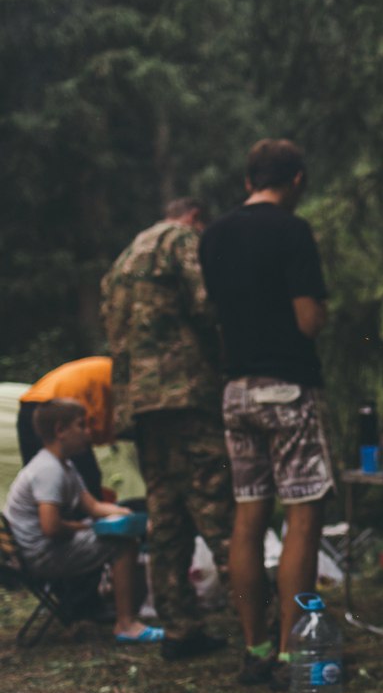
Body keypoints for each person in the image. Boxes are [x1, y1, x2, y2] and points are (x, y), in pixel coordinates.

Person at [199, 138, 333, 690]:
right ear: (297, 180)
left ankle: (255, 648)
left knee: (248, 515)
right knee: (302, 514)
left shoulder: (213, 235)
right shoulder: (292, 230)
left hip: (236, 390)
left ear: (248, 179)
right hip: (287, 388)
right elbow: (308, 321)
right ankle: (290, 655)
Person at [101, 197, 233, 661]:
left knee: (166, 514)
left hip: (140, 402)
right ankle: (262, 625)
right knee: (216, 505)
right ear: (195, 217)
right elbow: (206, 304)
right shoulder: (181, 241)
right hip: (186, 392)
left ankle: (179, 627)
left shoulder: (123, 259)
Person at [4, 400, 163, 644]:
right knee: (122, 544)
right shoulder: (48, 471)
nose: (88, 432)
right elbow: (51, 527)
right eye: (81, 425)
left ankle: (127, 616)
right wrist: (87, 527)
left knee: (123, 534)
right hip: (39, 556)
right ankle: (126, 624)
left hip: (38, 552)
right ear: (60, 430)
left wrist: (126, 513)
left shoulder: (64, 465)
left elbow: (93, 507)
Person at [17, 356, 113, 500]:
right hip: (52, 407)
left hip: (36, 401)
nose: (87, 432)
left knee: (79, 476)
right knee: (80, 476)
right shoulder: (127, 377)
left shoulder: (117, 370)